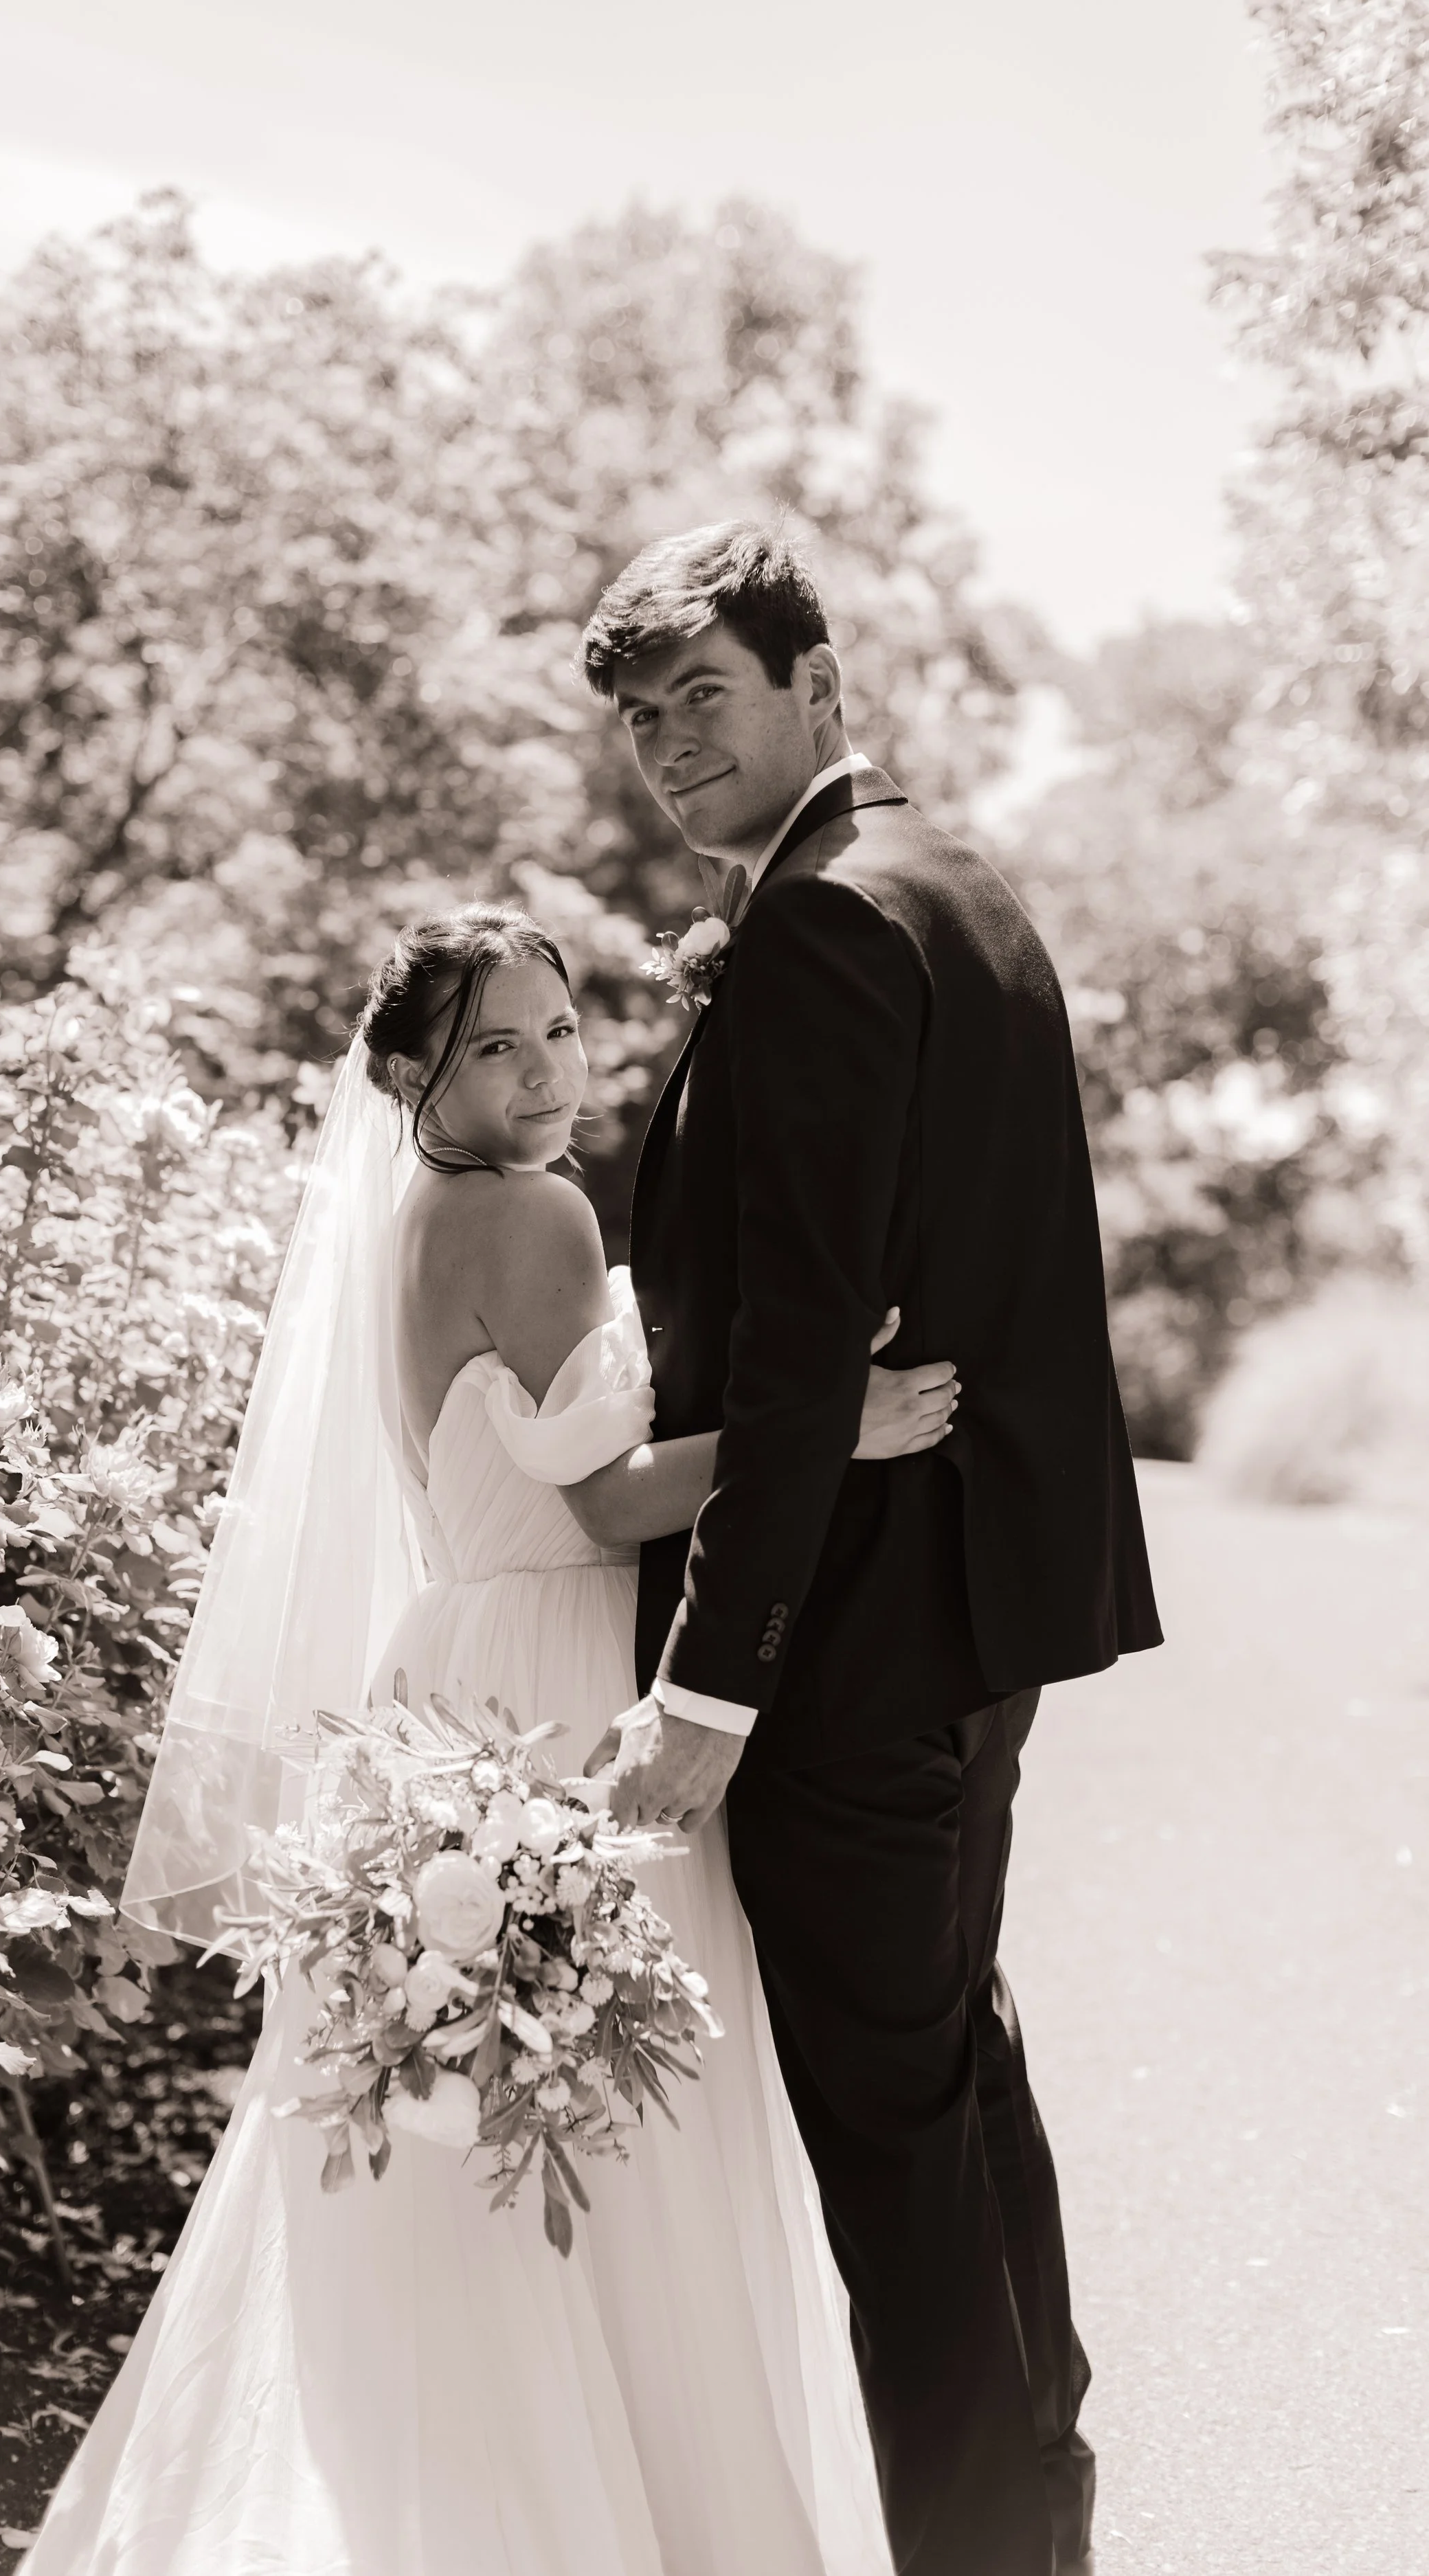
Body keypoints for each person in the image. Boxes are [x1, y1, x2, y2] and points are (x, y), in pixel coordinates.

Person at [20, 904, 960, 2576]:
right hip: (551, 1686)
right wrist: (835, 1433)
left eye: (557, 1033)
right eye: (491, 1049)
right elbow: (602, 1497)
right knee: (605, 2132)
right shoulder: (522, 1211)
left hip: (452, 1672)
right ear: (405, 1074)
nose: (543, 1077)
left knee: (461, 2126)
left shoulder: (423, 1215)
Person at [579, 521, 1162, 2576]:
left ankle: (991, 2548)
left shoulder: (825, 920)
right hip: (973, 1615)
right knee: (952, 2071)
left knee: (893, 2152)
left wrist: (709, 1678)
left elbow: (812, 1309)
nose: (664, 747)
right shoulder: (959, 886)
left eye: (701, 699)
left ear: (820, 687)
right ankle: (1041, 2496)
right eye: (639, 721)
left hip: (846, 1641)